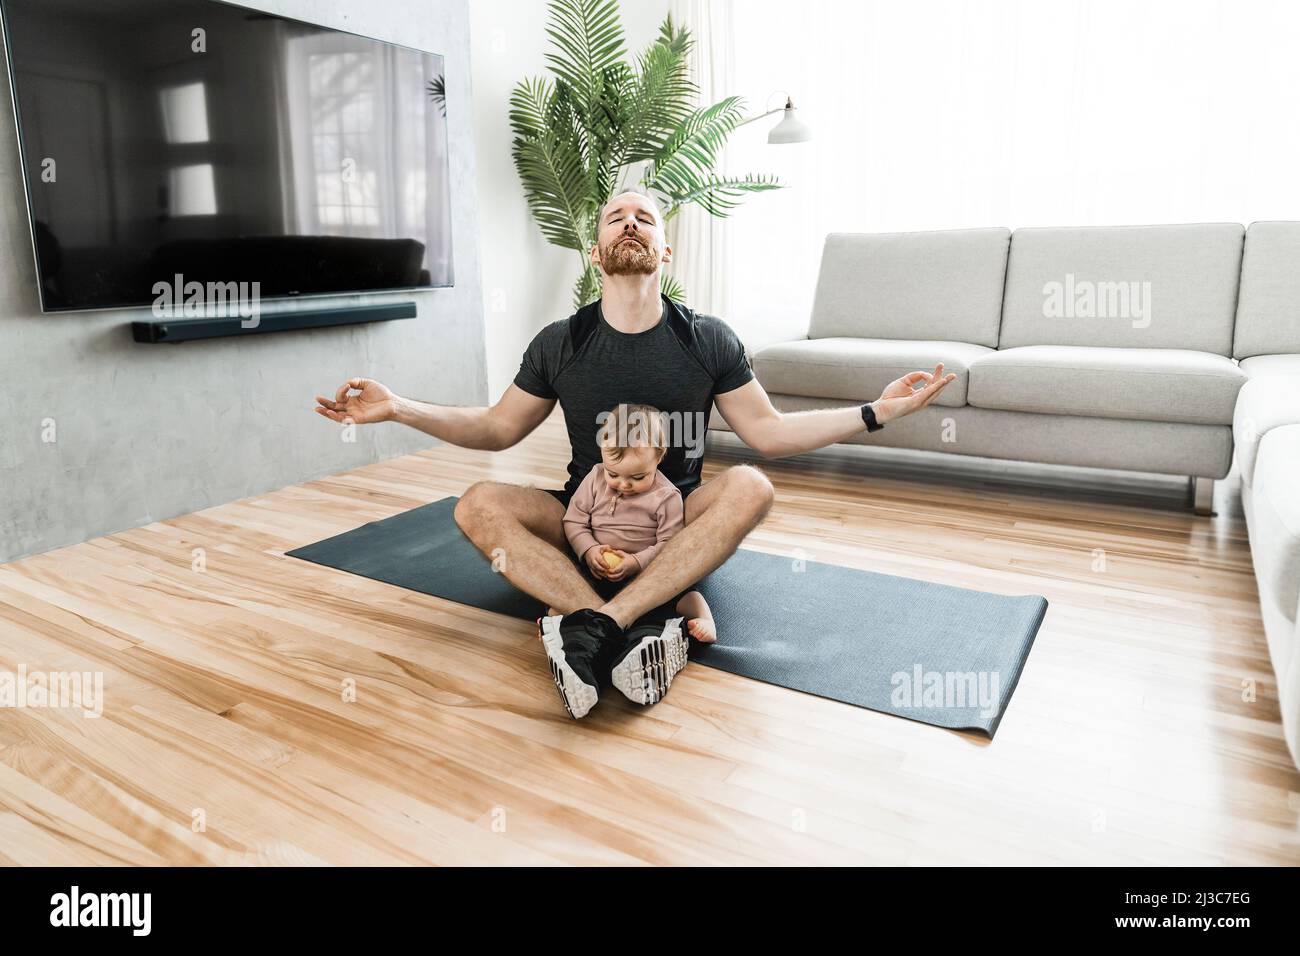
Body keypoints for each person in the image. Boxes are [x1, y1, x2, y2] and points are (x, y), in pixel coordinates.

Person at [315, 189, 956, 718]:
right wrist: (399, 408)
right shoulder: (559, 342)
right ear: (596, 252)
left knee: (752, 484)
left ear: (664, 251)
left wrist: (878, 412)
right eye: (616, 217)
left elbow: (770, 433)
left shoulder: (706, 339)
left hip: (671, 522)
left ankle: (595, 625)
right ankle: (622, 623)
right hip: (583, 514)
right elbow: (497, 428)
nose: (630, 223)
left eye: (644, 217)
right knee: (477, 504)